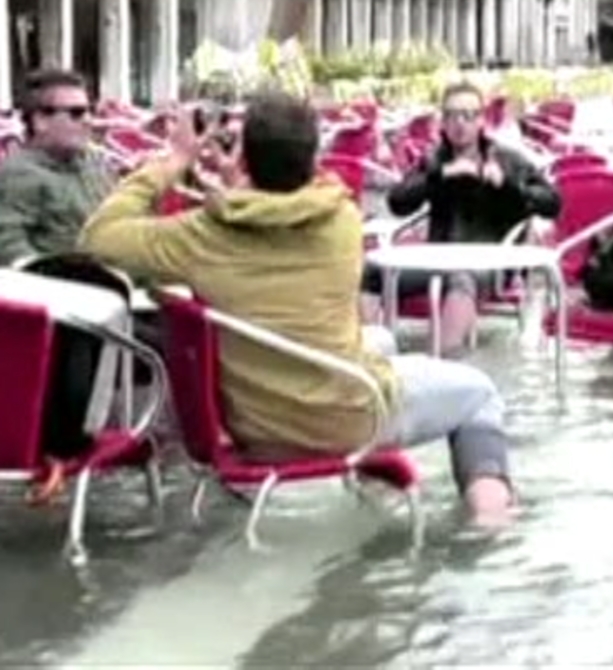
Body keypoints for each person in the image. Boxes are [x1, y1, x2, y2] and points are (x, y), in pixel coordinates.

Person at [79, 92, 515, 522]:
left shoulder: (200, 237)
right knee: (479, 393)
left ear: (247, 159)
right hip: (345, 420)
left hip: (258, 428)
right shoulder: (340, 219)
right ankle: (490, 520)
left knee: (380, 340)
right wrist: (238, 181)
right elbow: (297, 198)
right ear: (312, 157)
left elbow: (98, 237)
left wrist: (174, 160)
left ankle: (374, 490)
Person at [360, 81, 561, 354]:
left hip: (490, 262)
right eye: (452, 115)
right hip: (437, 256)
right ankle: (369, 354)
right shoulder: (434, 160)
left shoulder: (506, 159)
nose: (460, 123)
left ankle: (443, 362)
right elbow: (398, 201)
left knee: (461, 278)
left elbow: (552, 203)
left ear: (481, 120)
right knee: (370, 273)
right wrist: (440, 176)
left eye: (468, 115)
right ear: (443, 122)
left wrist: (508, 184)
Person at [0, 68, 114, 266]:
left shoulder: (96, 163)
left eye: (90, 110)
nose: (88, 121)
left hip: (125, 277)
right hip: (67, 287)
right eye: (76, 113)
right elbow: (10, 247)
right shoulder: (19, 175)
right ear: (40, 120)